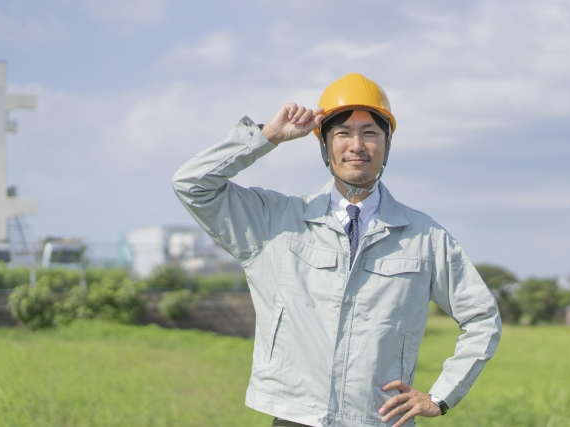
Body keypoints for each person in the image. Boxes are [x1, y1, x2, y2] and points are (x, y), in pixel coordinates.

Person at [172, 73, 501, 427]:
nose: (356, 145)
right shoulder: (274, 221)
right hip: (296, 418)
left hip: (380, 420)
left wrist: (441, 396)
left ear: (387, 144)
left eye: (370, 133)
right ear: (324, 143)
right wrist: (267, 137)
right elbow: (192, 184)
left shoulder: (425, 236)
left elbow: (481, 317)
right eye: (342, 133)